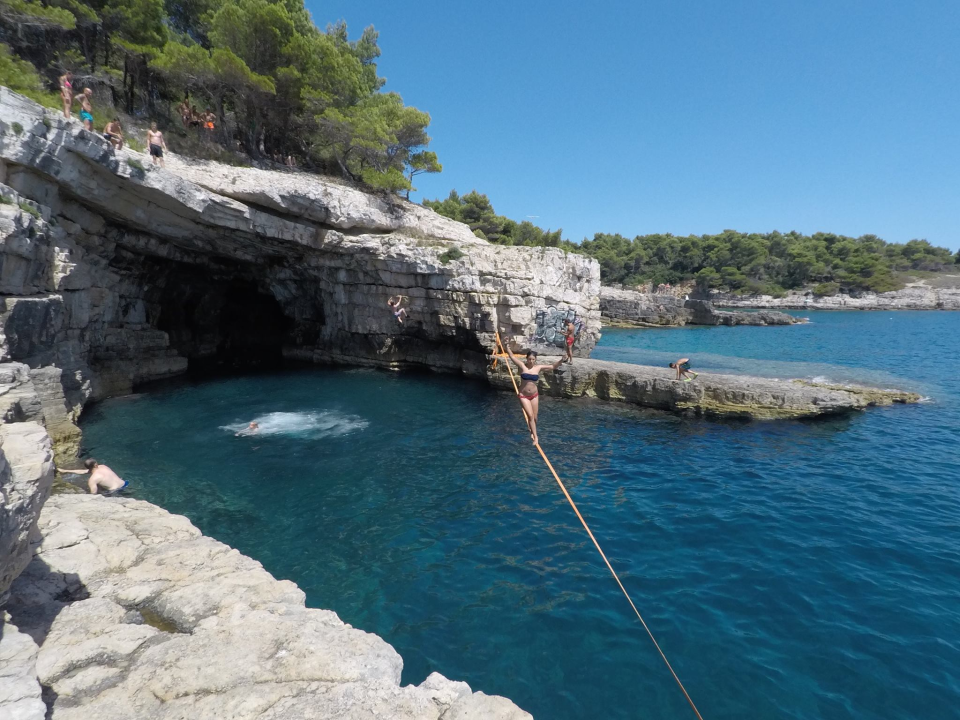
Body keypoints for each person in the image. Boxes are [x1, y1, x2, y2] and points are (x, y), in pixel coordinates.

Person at [505, 344, 563, 445]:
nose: (530, 361)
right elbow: (512, 356)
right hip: (523, 395)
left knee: (535, 417)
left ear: (535, 360)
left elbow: (553, 366)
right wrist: (507, 346)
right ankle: (536, 437)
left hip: (534, 395)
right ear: (526, 359)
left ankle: (532, 430)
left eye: (533, 359)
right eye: (529, 359)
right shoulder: (522, 366)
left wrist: (562, 360)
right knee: (530, 416)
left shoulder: (538, 368)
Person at [57, 458, 127, 495]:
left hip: (115, 491)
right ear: (96, 465)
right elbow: (84, 471)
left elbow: (93, 493)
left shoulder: (93, 479)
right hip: (124, 484)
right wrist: (66, 470)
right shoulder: (103, 466)